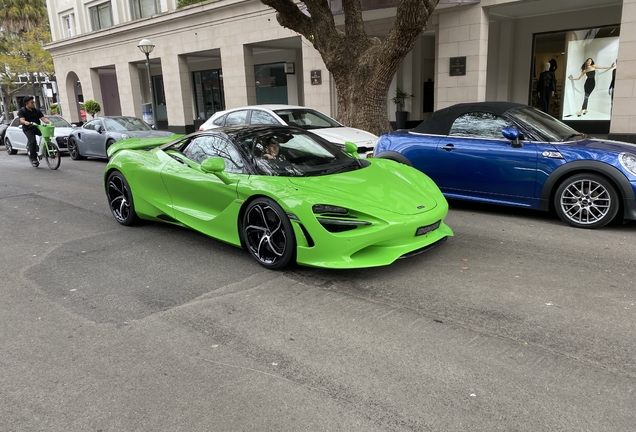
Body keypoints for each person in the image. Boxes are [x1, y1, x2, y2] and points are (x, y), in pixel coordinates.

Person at [18, 95, 51, 167]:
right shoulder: (22, 111)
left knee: (46, 135)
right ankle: (34, 158)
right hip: (28, 128)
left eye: (33, 102)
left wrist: (50, 123)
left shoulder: (37, 111)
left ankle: (42, 151)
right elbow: (21, 119)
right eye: (31, 102)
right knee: (32, 141)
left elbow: (43, 118)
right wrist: (26, 122)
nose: (33, 104)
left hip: (37, 127)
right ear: (27, 103)